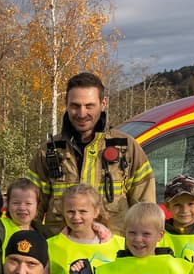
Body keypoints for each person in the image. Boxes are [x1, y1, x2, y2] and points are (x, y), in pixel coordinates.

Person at [28, 72, 154, 235]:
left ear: (103, 103)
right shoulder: (48, 152)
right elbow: (31, 209)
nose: (81, 114)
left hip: (112, 255)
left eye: (89, 106)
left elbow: (146, 210)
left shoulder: (127, 148)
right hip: (62, 254)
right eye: (75, 106)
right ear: (66, 104)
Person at [0, 178, 53, 274]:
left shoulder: (44, 234)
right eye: (16, 203)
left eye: (28, 203)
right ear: (7, 203)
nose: (22, 207)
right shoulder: (0, 230)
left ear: (37, 206)